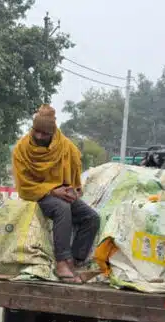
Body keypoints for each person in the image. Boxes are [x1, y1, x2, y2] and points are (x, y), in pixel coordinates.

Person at [12, 104, 99, 283]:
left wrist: (72, 189)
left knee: (91, 218)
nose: (39, 136)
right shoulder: (21, 149)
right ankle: (61, 262)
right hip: (36, 193)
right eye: (36, 131)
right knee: (62, 208)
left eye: (44, 134)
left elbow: (74, 169)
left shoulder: (65, 146)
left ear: (52, 133)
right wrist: (52, 190)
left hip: (61, 192)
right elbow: (24, 185)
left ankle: (74, 261)